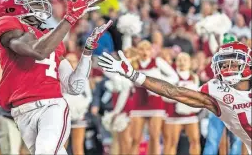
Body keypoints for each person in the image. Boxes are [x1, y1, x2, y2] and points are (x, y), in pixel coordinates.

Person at [0, 0, 111, 155]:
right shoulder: (8, 24)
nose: (40, 6)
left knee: (45, 151)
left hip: (51, 106)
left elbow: (74, 87)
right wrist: (69, 19)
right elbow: (37, 51)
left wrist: (87, 51)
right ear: (11, 8)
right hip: (22, 110)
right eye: (32, 3)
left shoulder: (52, 38)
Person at [98, 41, 252, 154]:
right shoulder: (218, 93)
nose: (226, 68)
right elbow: (175, 92)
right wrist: (134, 75)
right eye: (224, 64)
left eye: (232, 64)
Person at [130, 40, 179, 155]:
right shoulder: (133, 63)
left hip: (155, 102)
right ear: (138, 51)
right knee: (135, 138)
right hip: (138, 102)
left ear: (151, 51)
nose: (144, 52)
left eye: (147, 49)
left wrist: (159, 83)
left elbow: (174, 77)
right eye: (142, 49)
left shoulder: (157, 61)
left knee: (154, 137)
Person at [163, 52, 201, 155]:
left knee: (195, 141)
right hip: (174, 115)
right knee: (171, 143)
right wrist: (180, 97)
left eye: (185, 60)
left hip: (191, 115)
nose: (182, 62)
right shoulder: (172, 77)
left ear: (189, 63)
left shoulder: (194, 77)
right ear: (176, 63)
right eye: (179, 60)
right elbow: (165, 97)